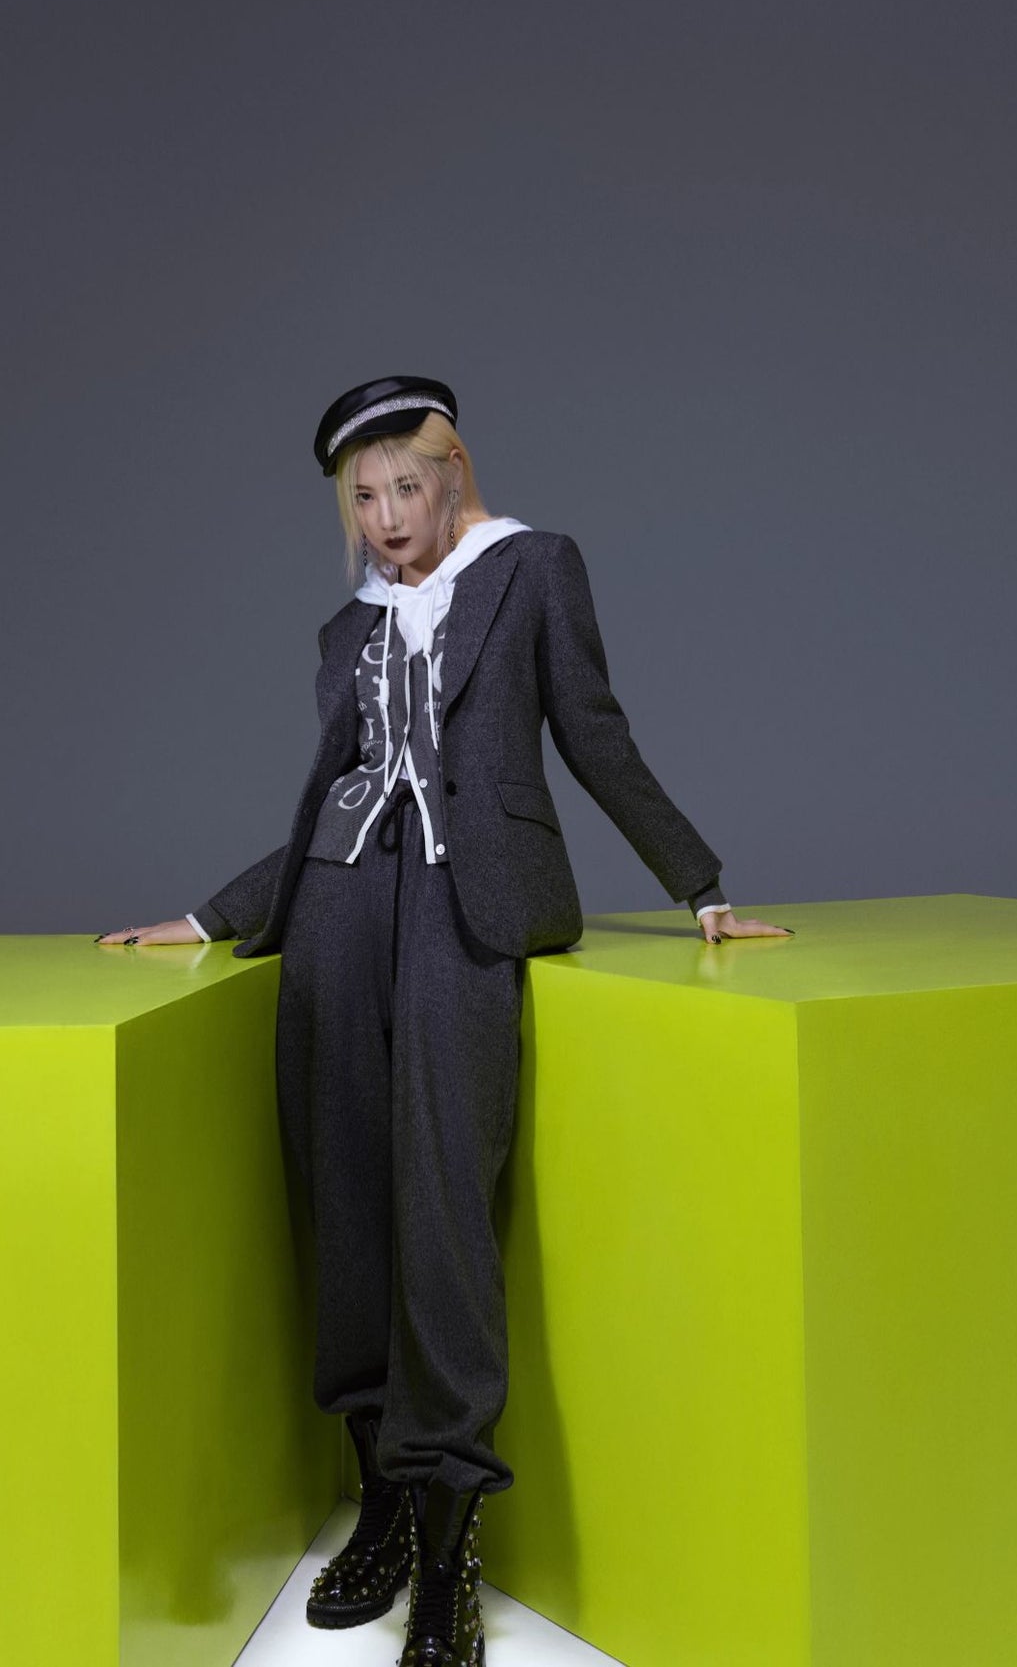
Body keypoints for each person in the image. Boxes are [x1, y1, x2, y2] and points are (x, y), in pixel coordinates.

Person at [96, 375, 793, 1667]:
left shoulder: (532, 569)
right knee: (345, 1192)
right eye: (361, 499)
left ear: (452, 469)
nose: (384, 519)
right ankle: (379, 1499)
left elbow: (593, 732)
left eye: (403, 487)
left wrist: (698, 885)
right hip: (338, 911)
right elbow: (334, 794)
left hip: (470, 911)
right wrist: (209, 915)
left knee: (444, 1208)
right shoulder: (348, 629)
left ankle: (447, 1539)